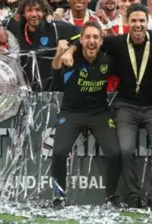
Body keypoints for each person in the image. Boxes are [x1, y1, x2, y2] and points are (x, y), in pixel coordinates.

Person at [61, 0, 152, 210]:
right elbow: (82, 37)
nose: (138, 25)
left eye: (141, 21)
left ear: (148, 22)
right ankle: (134, 196)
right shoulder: (117, 42)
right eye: (134, 20)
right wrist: (69, 50)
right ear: (127, 21)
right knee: (126, 149)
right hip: (126, 107)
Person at [50, 21, 121, 208]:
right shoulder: (71, 58)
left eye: (95, 37)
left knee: (115, 152)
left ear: (101, 41)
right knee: (58, 152)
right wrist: (62, 52)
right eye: (87, 37)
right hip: (71, 113)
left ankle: (111, 196)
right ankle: (59, 196)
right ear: (81, 40)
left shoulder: (108, 59)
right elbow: (56, 69)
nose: (91, 41)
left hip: (99, 113)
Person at [8, 0, 80, 91]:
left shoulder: (55, 28)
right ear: (23, 13)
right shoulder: (16, 28)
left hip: (52, 92)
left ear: (44, 12)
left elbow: (83, 34)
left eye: (38, 10)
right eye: (29, 10)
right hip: (26, 93)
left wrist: (70, 51)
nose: (34, 14)